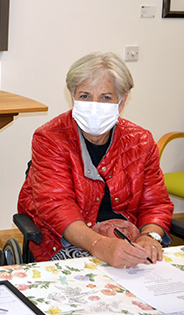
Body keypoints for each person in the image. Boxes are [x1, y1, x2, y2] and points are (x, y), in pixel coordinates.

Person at [18, 51, 173, 268]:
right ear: (72, 96)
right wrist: (99, 245)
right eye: (85, 96)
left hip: (126, 237)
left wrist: (149, 236)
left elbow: (155, 203)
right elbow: (57, 207)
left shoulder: (141, 141)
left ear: (122, 101)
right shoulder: (50, 138)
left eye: (106, 97)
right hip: (66, 240)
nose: (94, 105)